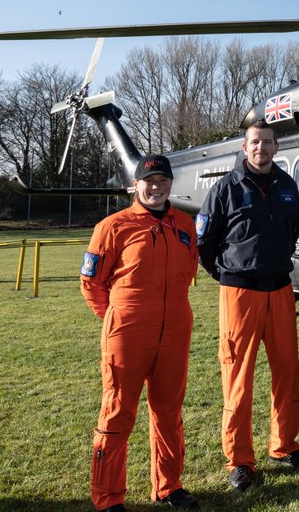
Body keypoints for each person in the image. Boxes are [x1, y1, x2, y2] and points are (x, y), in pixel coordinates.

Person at [80, 154, 200, 511]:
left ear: (170, 184)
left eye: (162, 180)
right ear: (136, 185)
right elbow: (91, 282)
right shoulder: (113, 226)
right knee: (118, 411)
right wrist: (116, 319)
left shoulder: (184, 224)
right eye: (149, 181)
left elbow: (189, 269)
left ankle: (169, 485)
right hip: (128, 333)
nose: (156, 186)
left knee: (169, 410)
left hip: (175, 329)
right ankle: (108, 497)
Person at [196, 123, 299, 493]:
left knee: (286, 371)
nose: (261, 147)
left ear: (276, 146)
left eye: (267, 141)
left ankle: (284, 445)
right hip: (239, 293)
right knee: (237, 379)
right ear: (245, 148)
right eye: (254, 142)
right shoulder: (225, 189)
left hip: (279, 287)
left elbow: (293, 230)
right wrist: (230, 275)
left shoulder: (287, 186)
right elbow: (205, 244)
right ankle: (240, 460)